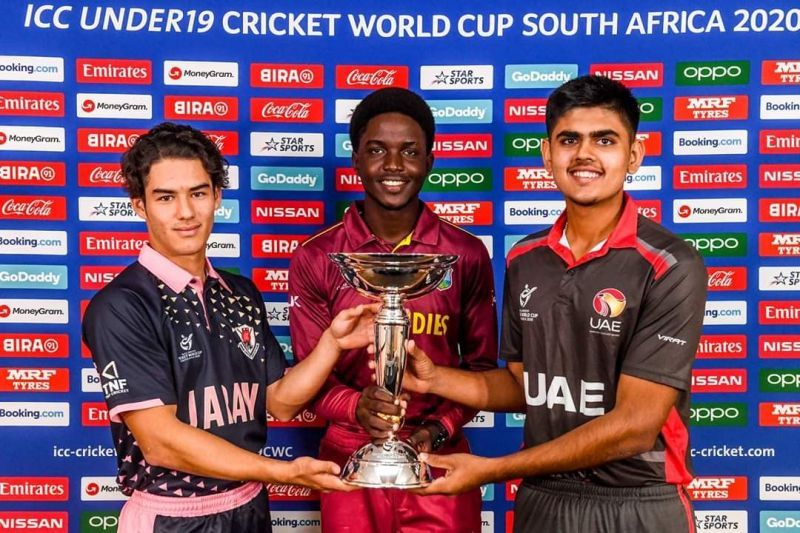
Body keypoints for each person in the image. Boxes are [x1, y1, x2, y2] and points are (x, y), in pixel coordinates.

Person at [402, 75, 707, 533]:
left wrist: (494, 469)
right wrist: (435, 378)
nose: (584, 154)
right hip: (543, 500)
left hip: (638, 502)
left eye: (604, 140)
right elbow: (528, 388)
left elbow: (636, 425)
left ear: (634, 156)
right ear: (548, 156)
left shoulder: (669, 264)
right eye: (569, 140)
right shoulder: (525, 259)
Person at [83, 122, 377, 533]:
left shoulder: (240, 293)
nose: (186, 212)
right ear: (139, 205)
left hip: (250, 507)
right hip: (173, 518)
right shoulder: (121, 305)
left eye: (198, 193)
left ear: (217, 197)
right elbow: (160, 441)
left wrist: (332, 343)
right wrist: (283, 472)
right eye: (166, 197)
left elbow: (280, 402)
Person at [288, 87, 498, 533]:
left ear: (430, 160)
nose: (394, 166)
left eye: (409, 151)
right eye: (377, 151)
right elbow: (307, 377)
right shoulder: (316, 256)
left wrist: (438, 430)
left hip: (438, 459)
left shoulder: (466, 254)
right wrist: (354, 407)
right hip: (347, 460)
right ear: (357, 159)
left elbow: (482, 371)